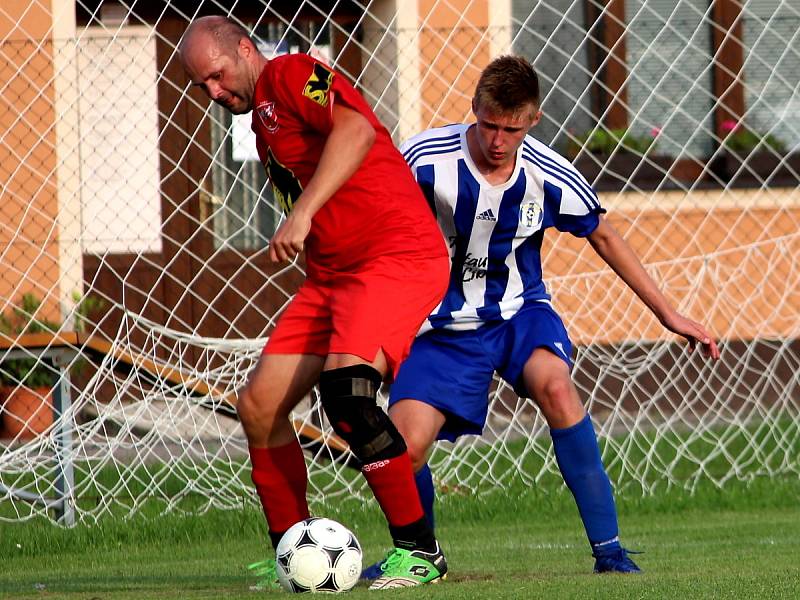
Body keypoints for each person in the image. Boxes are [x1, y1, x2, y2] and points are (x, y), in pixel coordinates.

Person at [362, 55, 721, 579]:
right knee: (405, 448)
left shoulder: (550, 173)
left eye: (511, 128)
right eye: (488, 125)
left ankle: (611, 552)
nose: (498, 140)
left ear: (534, 119)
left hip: (519, 316)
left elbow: (603, 234)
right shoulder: (423, 158)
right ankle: (420, 556)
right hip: (440, 327)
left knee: (557, 388)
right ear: (474, 110)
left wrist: (669, 313)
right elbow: (377, 224)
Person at [179, 16, 451, 590]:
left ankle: (419, 550)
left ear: (246, 51)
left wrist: (300, 214)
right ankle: (292, 551)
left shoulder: (292, 73)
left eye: (217, 76)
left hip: (393, 257)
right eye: (200, 85)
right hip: (333, 275)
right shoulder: (261, 125)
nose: (213, 92)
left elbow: (356, 129)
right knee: (258, 406)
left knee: (347, 392)